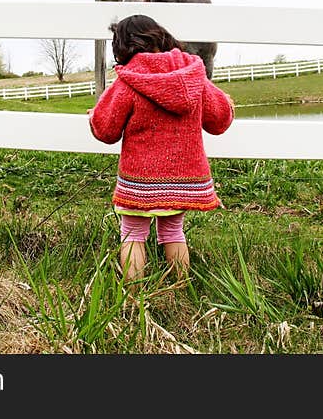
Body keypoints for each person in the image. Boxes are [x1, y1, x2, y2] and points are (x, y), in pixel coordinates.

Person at [88, 14, 235, 284]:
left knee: (132, 234)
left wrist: (93, 115)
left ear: (123, 47)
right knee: (173, 232)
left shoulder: (128, 80)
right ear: (159, 35)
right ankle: (180, 289)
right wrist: (226, 102)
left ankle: (134, 297)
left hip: (140, 178)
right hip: (184, 177)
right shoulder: (193, 73)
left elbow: (106, 129)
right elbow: (219, 119)